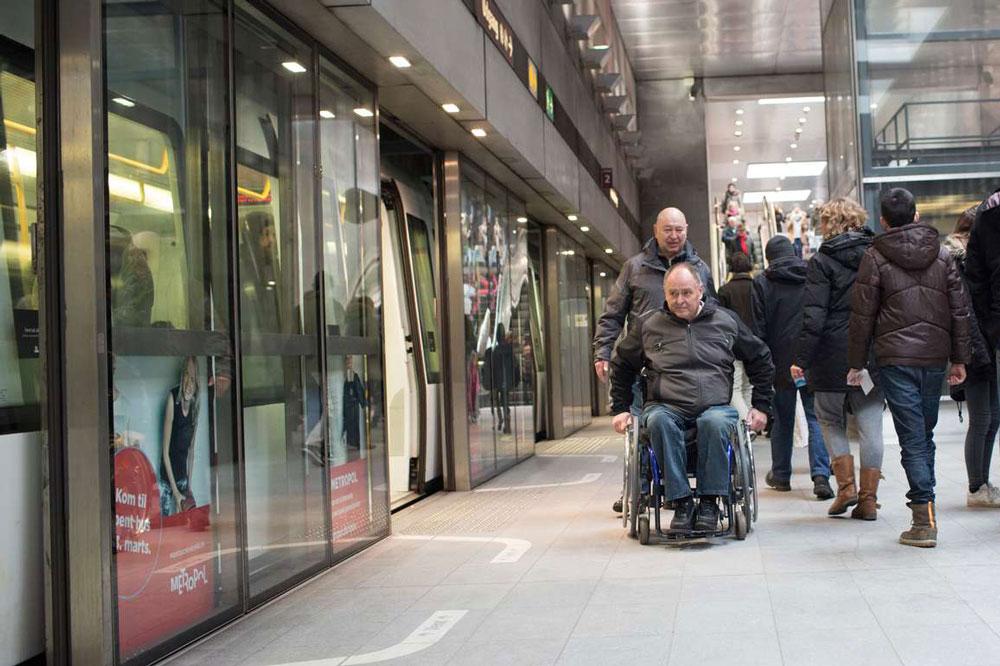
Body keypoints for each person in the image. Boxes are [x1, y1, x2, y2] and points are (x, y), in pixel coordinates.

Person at [610, 264, 773, 532]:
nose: (679, 300)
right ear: (664, 293)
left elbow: (761, 358)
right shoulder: (649, 325)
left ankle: (709, 502)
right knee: (659, 421)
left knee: (716, 421)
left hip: (715, 407)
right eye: (672, 293)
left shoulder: (725, 321)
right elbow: (622, 365)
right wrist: (620, 408)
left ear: (700, 291)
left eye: (686, 292)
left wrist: (762, 406)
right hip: (665, 406)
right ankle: (681, 502)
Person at [849, 187, 970, 548]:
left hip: (895, 359)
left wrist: (855, 362)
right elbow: (959, 310)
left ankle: (923, 518)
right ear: (916, 216)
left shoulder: (874, 256)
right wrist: (960, 359)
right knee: (924, 435)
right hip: (934, 358)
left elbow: (862, 316)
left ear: (883, 221)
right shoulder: (944, 254)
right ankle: (925, 509)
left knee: (913, 438)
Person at [594, 207, 715, 513]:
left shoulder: (699, 267)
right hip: (639, 362)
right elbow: (612, 314)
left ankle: (692, 487)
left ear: (686, 229)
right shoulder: (635, 268)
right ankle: (635, 489)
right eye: (667, 230)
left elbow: (713, 314)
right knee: (637, 429)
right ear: (656, 231)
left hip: (682, 365)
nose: (674, 236)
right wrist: (603, 351)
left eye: (679, 230)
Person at [792, 198, 884, 519]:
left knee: (829, 419)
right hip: (870, 352)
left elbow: (814, 315)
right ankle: (869, 500)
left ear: (830, 223)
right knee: (872, 424)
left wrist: (802, 357)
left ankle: (846, 489)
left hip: (832, 354)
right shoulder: (877, 254)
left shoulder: (821, 261)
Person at [752, 236, 832, 498]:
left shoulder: (762, 282)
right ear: (794, 252)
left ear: (768, 258)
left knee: (783, 420)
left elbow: (759, 328)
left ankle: (781, 475)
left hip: (780, 362)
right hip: (811, 359)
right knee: (815, 418)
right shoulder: (812, 274)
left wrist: (763, 365)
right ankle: (821, 476)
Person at [946, 206, 1000, 507]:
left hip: (986, 344)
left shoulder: (972, 261)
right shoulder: (957, 263)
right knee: (981, 418)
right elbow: (961, 312)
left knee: (993, 416)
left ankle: (982, 483)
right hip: (972, 348)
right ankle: (975, 486)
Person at [718, 252, 755, 420]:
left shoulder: (725, 290)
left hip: (733, 345)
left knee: (736, 389)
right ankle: (749, 425)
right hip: (756, 344)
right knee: (749, 387)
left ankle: (745, 424)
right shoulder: (758, 286)